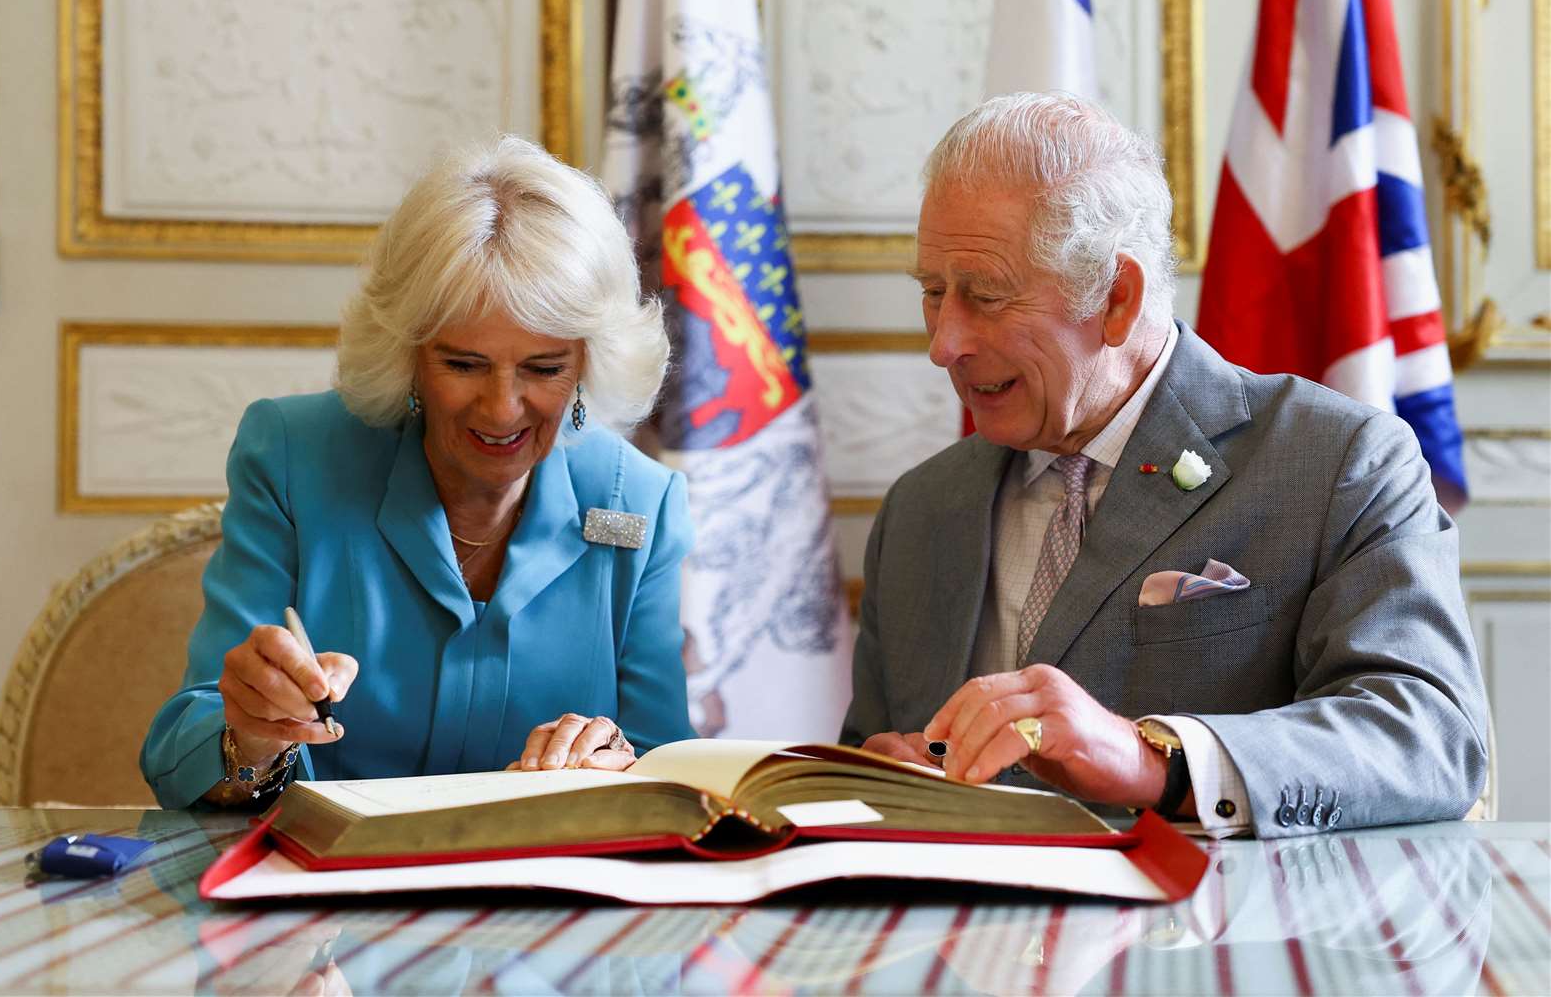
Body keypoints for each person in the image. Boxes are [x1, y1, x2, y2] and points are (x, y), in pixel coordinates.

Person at [840, 93, 1488, 838]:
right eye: (931, 293)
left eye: (985, 296)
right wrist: (883, 776)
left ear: (1116, 298)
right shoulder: (923, 508)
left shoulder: (1336, 462)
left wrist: (1155, 760)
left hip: (1225, 943)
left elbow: (1428, 737)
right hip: (966, 946)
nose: (943, 343)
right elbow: (870, 754)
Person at [142, 137, 694, 808]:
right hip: (324, 898)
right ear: (407, 354)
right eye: (462, 364)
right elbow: (177, 757)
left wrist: (614, 763)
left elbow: (668, 767)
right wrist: (251, 738)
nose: (501, 407)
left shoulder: (642, 502)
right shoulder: (291, 456)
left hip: (537, 901)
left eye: (544, 369)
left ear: (589, 363)